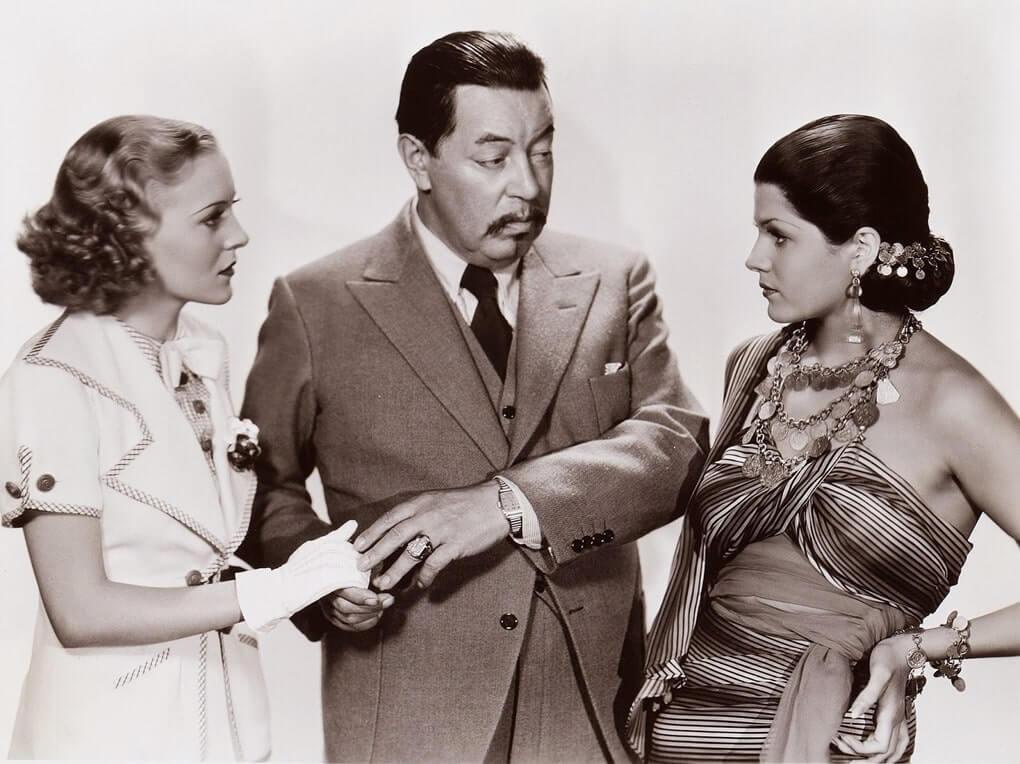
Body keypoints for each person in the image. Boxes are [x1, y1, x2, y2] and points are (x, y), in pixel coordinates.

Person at [238, 30, 709, 762]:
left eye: (543, 151)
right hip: (409, 716)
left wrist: (508, 503)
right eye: (493, 158)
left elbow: (676, 445)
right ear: (417, 158)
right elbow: (260, 485)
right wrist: (318, 581)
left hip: (591, 707)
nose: (527, 185)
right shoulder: (315, 302)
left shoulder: (616, 280)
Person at [626, 114, 1020, 762]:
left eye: (778, 235)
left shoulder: (955, 406)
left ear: (860, 249)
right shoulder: (755, 365)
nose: (755, 257)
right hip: (677, 737)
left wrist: (920, 647)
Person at [0, 115, 369, 761]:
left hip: (227, 717)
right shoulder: (53, 377)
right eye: (212, 217)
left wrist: (323, 587)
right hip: (111, 735)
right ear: (128, 234)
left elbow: (206, 541)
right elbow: (79, 611)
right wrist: (272, 591)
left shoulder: (202, 351)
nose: (239, 234)